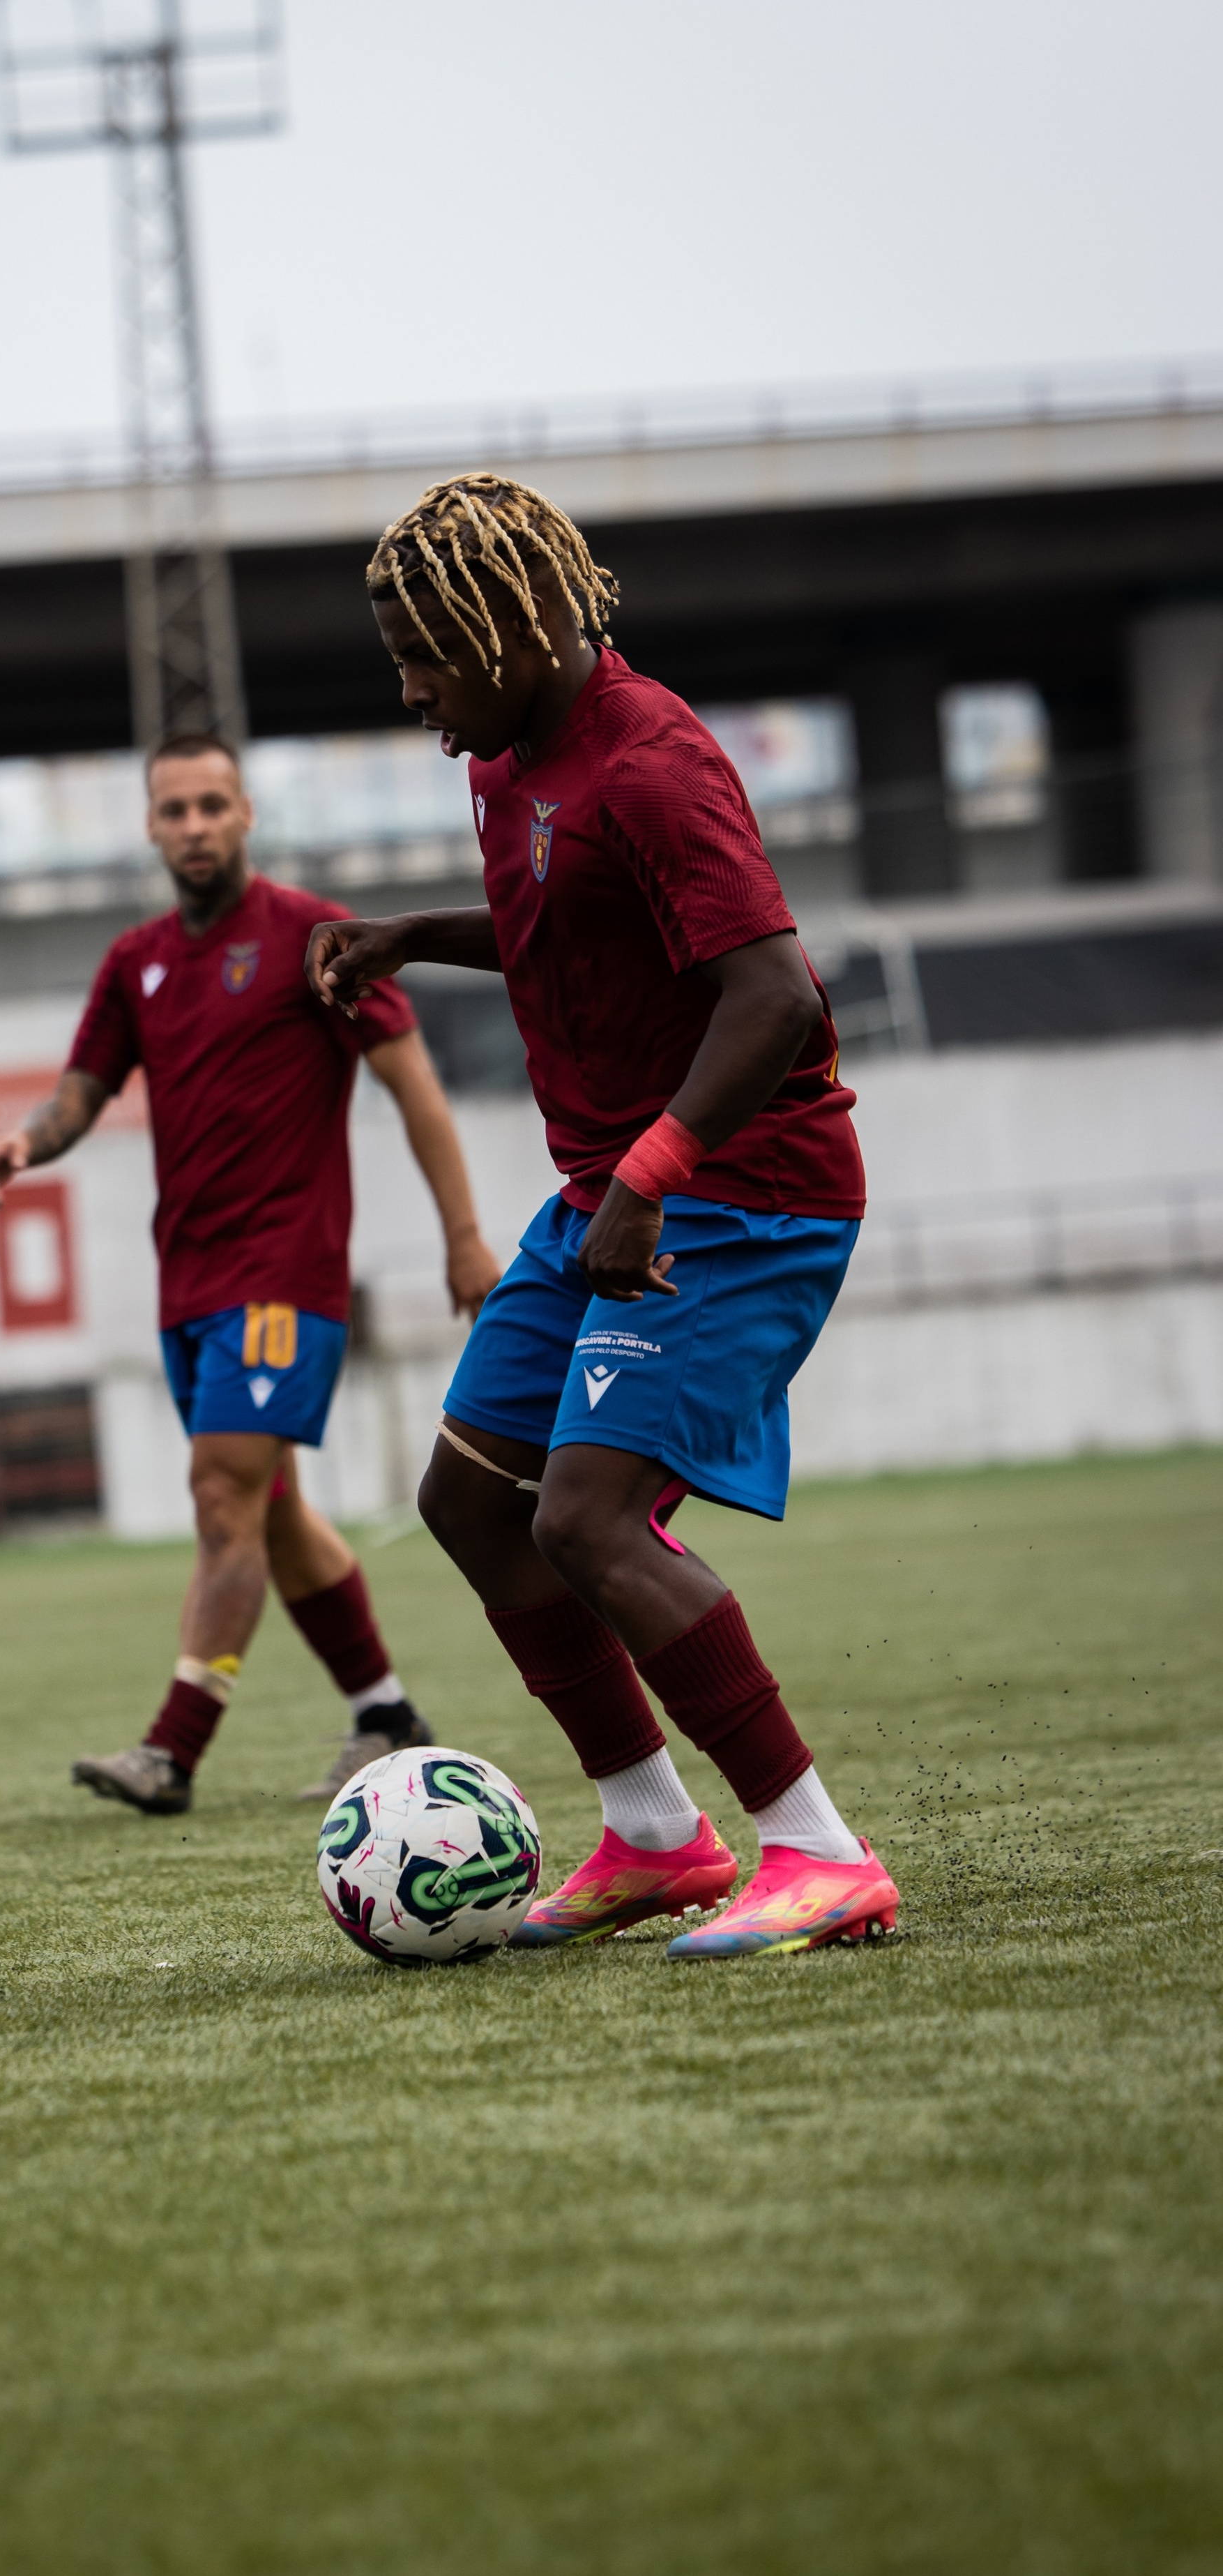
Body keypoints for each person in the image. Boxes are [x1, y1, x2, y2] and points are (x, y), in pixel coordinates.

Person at [307, 475, 899, 1959]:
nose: (414, 694)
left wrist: (650, 1175)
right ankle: (654, 1836)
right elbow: (558, 928)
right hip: (606, 1198)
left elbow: (769, 993)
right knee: (466, 1503)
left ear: (510, 631)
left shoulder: (654, 761)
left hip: (738, 1196)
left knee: (583, 1517)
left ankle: (817, 1853)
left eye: (427, 659)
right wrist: (410, 938)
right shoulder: (509, 759)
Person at [0, 731, 501, 1816]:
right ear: (151, 825)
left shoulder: (316, 937)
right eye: (176, 809)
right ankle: (386, 1713)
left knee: (222, 1491)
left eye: (215, 804)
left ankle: (173, 1749)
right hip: (191, 1283)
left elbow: (413, 1087)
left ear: (247, 814)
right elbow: (81, 1093)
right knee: (269, 1512)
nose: (196, 825)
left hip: (287, 1274)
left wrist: (463, 1235)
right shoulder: (137, 962)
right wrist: (30, 1141)